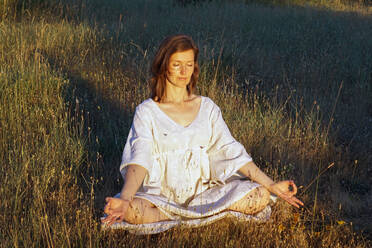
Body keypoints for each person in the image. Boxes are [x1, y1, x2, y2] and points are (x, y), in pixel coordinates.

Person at [102, 34, 303, 228]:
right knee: (132, 211)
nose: (184, 72)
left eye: (189, 65)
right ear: (164, 66)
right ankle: (196, 216)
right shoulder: (147, 111)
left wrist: (271, 185)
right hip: (161, 198)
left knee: (260, 195)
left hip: (204, 195)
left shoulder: (207, 107)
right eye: (176, 65)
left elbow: (230, 150)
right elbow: (139, 158)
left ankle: (193, 215)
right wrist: (126, 198)